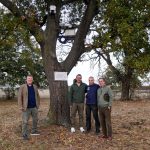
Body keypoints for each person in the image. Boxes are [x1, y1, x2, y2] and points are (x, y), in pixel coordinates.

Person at [18, 75, 40, 140]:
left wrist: (38, 104)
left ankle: (34, 131)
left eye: (31, 79)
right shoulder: (22, 87)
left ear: (32, 80)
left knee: (35, 119)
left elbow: (38, 96)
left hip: (34, 107)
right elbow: (19, 97)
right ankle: (24, 134)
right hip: (26, 108)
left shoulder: (35, 87)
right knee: (25, 121)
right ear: (26, 79)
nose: (30, 80)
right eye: (28, 79)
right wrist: (20, 106)